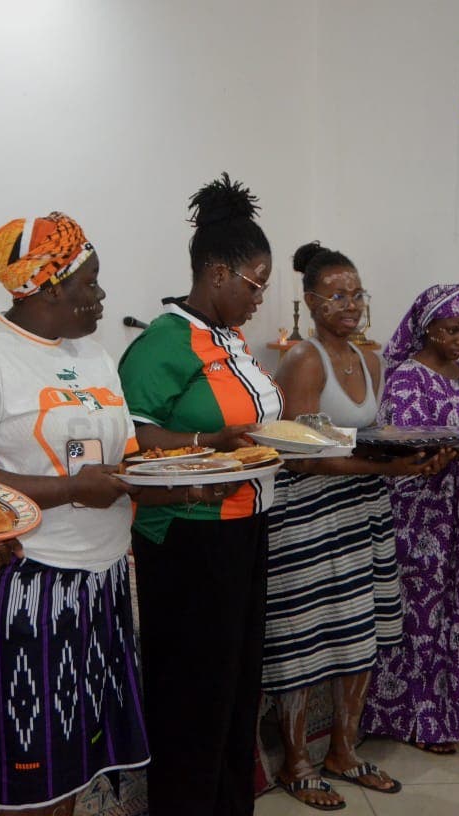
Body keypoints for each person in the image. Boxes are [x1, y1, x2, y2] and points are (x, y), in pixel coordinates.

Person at [0, 212, 151, 816]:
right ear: (49, 287)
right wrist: (70, 489)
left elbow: (124, 459)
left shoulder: (95, 356)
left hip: (95, 580)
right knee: (23, 781)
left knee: (67, 766)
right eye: (90, 281)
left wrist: (182, 479)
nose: (101, 294)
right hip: (20, 585)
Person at [117, 173, 282, 816]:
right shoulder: (165, 340)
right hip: (188, 536)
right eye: (255, 284)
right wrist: (215, 442)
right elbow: (129, 436)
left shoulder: (231, 340)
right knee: (193, 696)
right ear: (218, 273)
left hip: (245, 526)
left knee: (237, 688)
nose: (258, 299)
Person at [263, 242, 445, 810]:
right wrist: (382, 466)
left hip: (361, 511)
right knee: (304, 633)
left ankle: (343, 749)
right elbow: (300, 454)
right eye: (337, 295)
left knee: (359, 632)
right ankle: (296, 761)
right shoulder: (304, 360)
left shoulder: (371, 359)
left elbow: (373, 434)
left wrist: (419, 456)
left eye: (357, 294)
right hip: (308, 514)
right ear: (311, 301)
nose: (350, 304)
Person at [359, 283, 459, 754]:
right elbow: (398, 444)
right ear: (427, 328)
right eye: (450, 330)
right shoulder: (407, 378)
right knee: (424, 614)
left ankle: (455, 707)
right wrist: (440, 453)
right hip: (424, 515)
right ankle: (417, 719)